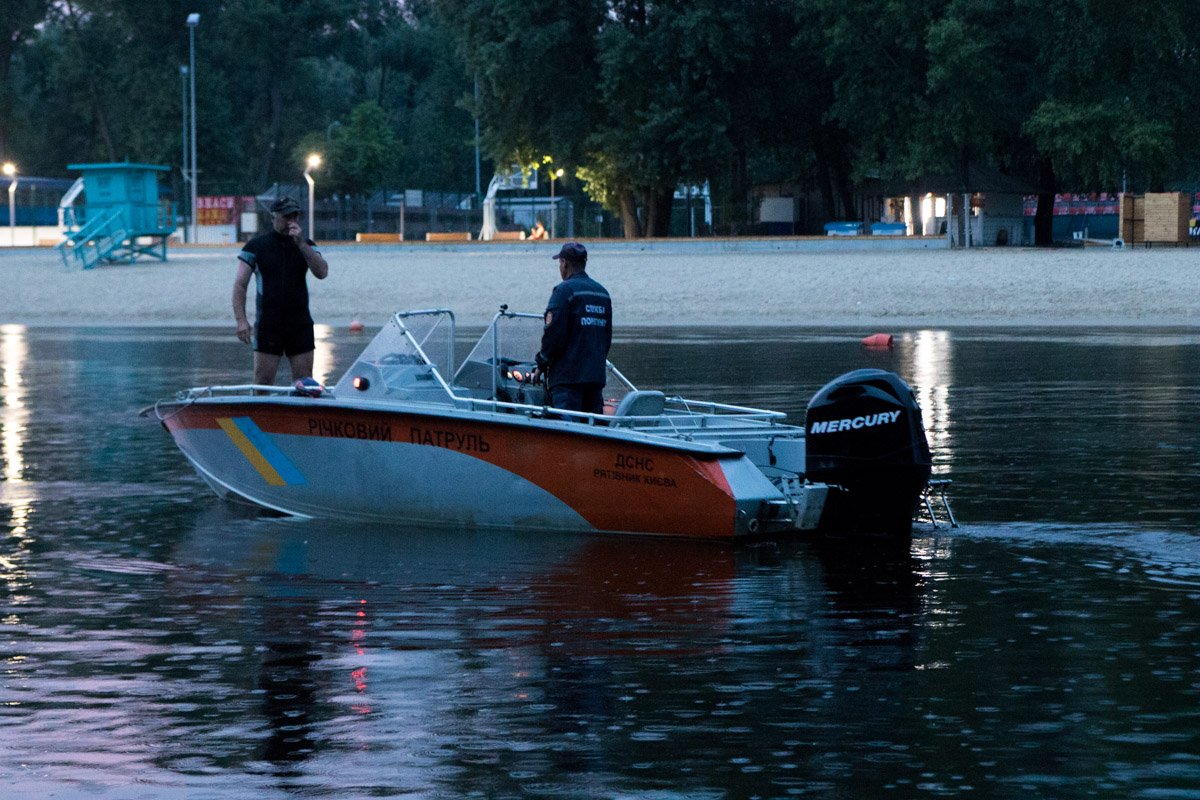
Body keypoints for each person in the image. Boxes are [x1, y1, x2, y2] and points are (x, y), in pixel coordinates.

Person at [233, 196, 329, 386]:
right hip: (269, 324)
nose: (291, 221)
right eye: (286, 217)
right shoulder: (256, 247)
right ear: (274, 217)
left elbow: (322, 272)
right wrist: (241, 321)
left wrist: (301, 245)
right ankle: (261, 415)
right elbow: (239, 285)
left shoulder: (306, 245)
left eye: (295, 216)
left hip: (299, 323)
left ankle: (299, 416)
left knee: (304, 384)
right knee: (263, 382)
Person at [533, 242, 612, 413]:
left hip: (567, 381)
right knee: (593, 432)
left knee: (568, 431)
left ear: (565, 263)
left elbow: (554, 335)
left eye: (560, 263)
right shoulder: (602, 293)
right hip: (595, 380)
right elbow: (606, 339)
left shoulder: (564, 291)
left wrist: (541, 365)